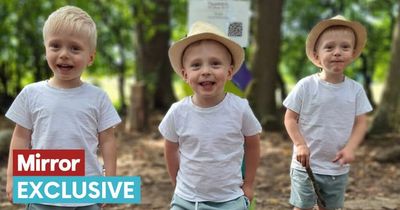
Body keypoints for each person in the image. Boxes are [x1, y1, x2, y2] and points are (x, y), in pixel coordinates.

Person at [5, 5, 121, 210]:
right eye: (55, 46)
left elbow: (108, 139)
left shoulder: (98, 97)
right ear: (45, 50)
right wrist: (14, 177)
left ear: (90, 57)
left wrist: (110, 181)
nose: (64, 54)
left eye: (75, 48)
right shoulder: (31, 94)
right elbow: (21, 137)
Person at [159, 21, 262, 210]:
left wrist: (248, 184)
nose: (206, 71)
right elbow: (170, 149)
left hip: (229, 199)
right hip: (187, 200)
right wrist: (177, 185)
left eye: (215, 64)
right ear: (185, 74)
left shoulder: (240, 108)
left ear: (229, 71)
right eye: (196, 65)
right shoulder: (177, 112)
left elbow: (253, 144)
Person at [283, 15, 373, 210]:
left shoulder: (355, 90)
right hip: (305, 165)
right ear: (316, 55)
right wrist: (299, 144)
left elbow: (361, 123)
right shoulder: (306, 86)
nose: (337, 52)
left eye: (344, 47)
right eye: (329, 47)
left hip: (336, 167)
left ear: (353, 53)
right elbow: (290, 118)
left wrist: (351, 148)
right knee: (302, 207)